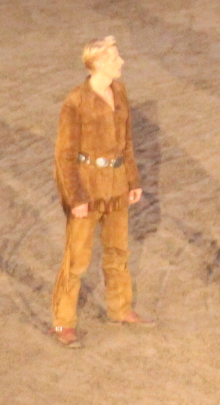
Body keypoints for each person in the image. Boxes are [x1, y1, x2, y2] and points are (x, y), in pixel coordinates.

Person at [50, 36, 152, 347]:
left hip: (117, 185)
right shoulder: (76, 102)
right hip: (88, 186)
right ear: (98, 63)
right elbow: (64, 155)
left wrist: (132, 180)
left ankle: (120, 308)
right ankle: (63, 322)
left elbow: (127, 141)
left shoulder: (119, 91)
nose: (122, 62)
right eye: (115, 58)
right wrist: (76, 198)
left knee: (118, 251)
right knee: (77, 260)